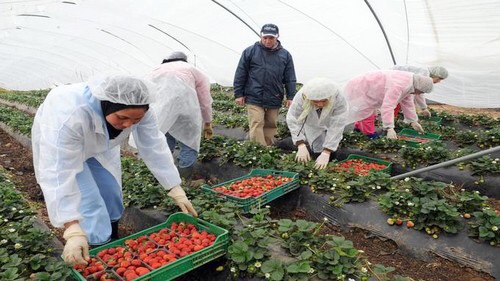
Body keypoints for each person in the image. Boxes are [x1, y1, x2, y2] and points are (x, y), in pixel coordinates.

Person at [31, 75, 197, 266]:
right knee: (90, 203)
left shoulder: (141, 109)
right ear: (107, 105)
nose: (128, 125)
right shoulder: (70, 114)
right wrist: (72, 228)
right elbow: (58, 170)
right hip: (66, 149)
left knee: (111, 192)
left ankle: (113, 239)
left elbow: (154, 146)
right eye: (122, 118)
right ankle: (98, 250)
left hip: (99, 147)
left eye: (135, 120)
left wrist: (174, 187)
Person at [147, 51, 213, 179]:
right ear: (184, 60)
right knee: (189, 144)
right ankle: (184, 178)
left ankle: (163, 178)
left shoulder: (154, 71)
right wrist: (208, 122)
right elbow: (204, 100)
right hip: (187, 111)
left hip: (162, 112)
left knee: (164, 144)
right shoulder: (193, 70)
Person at [233, 23, 297, 146]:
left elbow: (290, 77)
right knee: (257, 122)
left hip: (275, 94)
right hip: (254, 95)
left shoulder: (285, 55)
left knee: (271, 123)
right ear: (261, 36)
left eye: (271, 38)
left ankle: (267, 146)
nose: (267, 40)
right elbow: (241, 73)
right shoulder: (250, 51)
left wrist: (290, 96)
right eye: (265, 37)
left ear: (277, 37)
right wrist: (238, 94)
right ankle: (259, 150)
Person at [344, 70, 434, 139]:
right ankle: (369, 135)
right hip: (360, 87)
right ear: (418, 87)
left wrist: (413, 121)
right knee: (366, 113)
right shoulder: (398, 86)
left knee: (367, 112)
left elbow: (407, 103)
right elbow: (388, 106)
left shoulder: (410, 85)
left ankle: (358, 129)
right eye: (421, 92)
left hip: (370, 89)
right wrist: (389, 128)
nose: (418, 94)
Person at [286, 78, 348, 169]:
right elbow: (293, 118)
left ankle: (328, 156)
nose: (320, 104)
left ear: (330, 96)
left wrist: (327, 151)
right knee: (315, 144)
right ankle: (317, 157)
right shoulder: (302, 95)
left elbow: (337, 125)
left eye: (324, 100)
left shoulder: (339, 97)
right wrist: (300, 144)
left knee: (330, 149)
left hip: (330, 120)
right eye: (315, 101)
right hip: (311, 122)